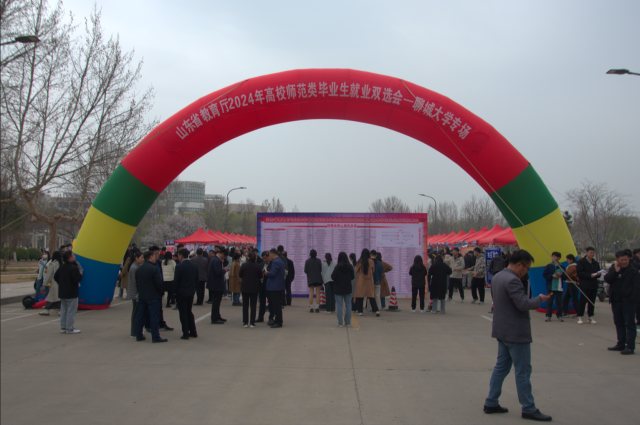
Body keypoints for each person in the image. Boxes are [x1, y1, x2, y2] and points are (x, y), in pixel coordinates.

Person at [483, 250, 552, 421]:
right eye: (527, 268)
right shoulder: (513, 280)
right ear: (519, 264)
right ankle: (528, 407)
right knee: (523, 371)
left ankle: (491, 401)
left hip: (502, 330)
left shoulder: (498, 276)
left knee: (501, 367)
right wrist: (540, 299)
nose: (527, 271)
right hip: (516, 332)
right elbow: (523, 304)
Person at [604, 250, 640, 355]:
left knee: (630, 324)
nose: (624, 262)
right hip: (616, 300)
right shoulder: (614, 269)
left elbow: (637, 287)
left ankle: (630, 346)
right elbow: (607, 279)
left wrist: (632, 299)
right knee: (619, 323)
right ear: (617, 260)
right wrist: (616, 271)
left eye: (626, 259)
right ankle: (621, 343)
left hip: (628, 302)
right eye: (621, 260)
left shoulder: (633, 271)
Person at [134, 251, 167, 343]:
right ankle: (155, 337)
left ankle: (138, 335)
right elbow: (158, 283)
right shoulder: (154, 269)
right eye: (154, 256)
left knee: (140, 316)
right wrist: (160, 292)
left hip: (142, 296)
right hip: (153, 296)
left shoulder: (139, 269)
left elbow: (137, 283)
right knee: (154, 316)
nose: (155, 258)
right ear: (150, 257)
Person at [55, 251, 83, 334]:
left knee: (64, 310)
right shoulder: (74, 268)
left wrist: (62, 283)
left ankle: (63, 327)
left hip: (62, 292)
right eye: (73, 255)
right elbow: (77, 279)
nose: (74, 256)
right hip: (71, 292)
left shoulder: (61, 267)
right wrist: (80, 274)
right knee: (71, 311)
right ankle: (69, 328)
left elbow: (55, 277)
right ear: (69, 258)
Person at [173, 249, 198, 340]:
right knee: (189, 311)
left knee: (183, 313)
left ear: (181, 256)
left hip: (181, 292)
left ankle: (185, 333)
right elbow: (196, 279)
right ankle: (193, 331)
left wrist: (174, 292)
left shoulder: (179, 266)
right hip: (190, 292)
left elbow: (176, 281)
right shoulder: (194, 265)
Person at [576, 247, 602, 324]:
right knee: (583, 301)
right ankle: (579, 316)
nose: (592, 254)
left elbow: (598, 273)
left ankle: (590, 317)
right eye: (591, 252)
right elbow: (579, 273)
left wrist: (598, 274)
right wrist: (589, 275)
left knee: (592, 302)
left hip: (593, 285)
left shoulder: (595, 263)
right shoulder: (581, 262)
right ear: (586, 252)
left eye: (593, 253)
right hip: (585, 285)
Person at [542, 252, 567, 322]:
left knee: (559, 302)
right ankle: (548, 316)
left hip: (559, 287)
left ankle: (559, 316)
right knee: (549, 302)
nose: (553, 257)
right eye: (552, 256)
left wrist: (561, 275)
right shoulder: (549, 266)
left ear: (558, 258)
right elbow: (545, 275)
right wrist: (552, 276)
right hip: (551, 287)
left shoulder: (562, 266)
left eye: (555, 256)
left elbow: (565, 277)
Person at [239, 251, 263, 327]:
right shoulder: (258, 266)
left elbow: (240, 275)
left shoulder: (244, 265)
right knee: (253, 305)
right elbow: (261, 276)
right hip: (254, 287)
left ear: (248, 257)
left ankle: (245, 322)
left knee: (245, 305)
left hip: (245, 287)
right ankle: (252, 322)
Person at [332, 252, 355, 327]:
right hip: (348, 288)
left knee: (339, 306)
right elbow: (352, 277)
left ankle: (340, 322)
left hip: (338, 289)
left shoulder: (337, 267)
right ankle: (348, 322)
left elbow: (333, 277)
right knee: (348, 306)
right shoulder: (350, 266)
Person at [264, 248, 285, 328]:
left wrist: (266, 273)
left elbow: (272, 273)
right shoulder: (281, 261)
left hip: (274, 286)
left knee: (276, 305)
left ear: (272, 254)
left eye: (269, 255)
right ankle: (277, 320)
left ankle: (278, 321)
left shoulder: (275, 262)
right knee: (277, 305)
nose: (269, 257)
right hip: (278, 286)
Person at [207, 248, 228, 324]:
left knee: (217, 302)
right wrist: (225, 270)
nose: (224, 258)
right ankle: (214, 318)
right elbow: (218, 272)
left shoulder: (214, 259)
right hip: (216, 284)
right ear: (222, 254)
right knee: (216, 302)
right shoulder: (217, 260)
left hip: (214, 283)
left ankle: (217, 316)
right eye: (224, 256)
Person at [354, 249, 377, 316]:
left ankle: (360, 311)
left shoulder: (360, 261)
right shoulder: (371, 261)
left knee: (360, 296)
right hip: (369, 281)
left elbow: (356, 270)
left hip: (361, 281)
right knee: (371, 296)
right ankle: (376, 310)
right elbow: (373, 270)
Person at [126, 252, 144, 338]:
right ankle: (134, 332)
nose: (143, 259)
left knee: (136, 312)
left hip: (136, 293)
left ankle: (136, 330)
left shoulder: (136, 266)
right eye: (141, 257)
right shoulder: (134, 268)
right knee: (136, 312)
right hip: (135, 294)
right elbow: (135, 282)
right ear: (136, 258)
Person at [39, 251, 62, 316]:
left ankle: (47, 310)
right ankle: (59, 310)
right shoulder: (62, 263)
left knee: (52, 297)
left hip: (55, 283)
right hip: (61, 284)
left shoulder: (53, 264)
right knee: (58, 298)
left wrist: (45, 283)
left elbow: (49, 275)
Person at [562, 254, 580, 318]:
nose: (567, 261)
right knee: (565, 298)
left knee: (575, 299)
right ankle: (565, 312)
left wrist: (562, 273)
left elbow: (568, 274)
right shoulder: (570, 266)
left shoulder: (573, 266)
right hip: (569, 284)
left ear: (571, 260)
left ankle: (578, 313)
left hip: (573, 284)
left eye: (567, 259)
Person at [256, 251, 271, 322]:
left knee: (270, 301)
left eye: (265, 258)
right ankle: (260, 317)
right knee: (261, 302)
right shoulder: (261, 264)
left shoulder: (272, 264)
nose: (264, 260)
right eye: (263, 258)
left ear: (269, 257)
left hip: (268, 285)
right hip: (261, 284)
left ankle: (271, 317)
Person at [370, 250, 384, 315]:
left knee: (370, 296)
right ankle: (377, 309)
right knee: (377, 296)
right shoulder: (379, 263)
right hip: (377, 281)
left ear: (370, 255)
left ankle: (370, 308)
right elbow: (382, 272)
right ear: (376, 256)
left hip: (370, 282)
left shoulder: (369, 263)